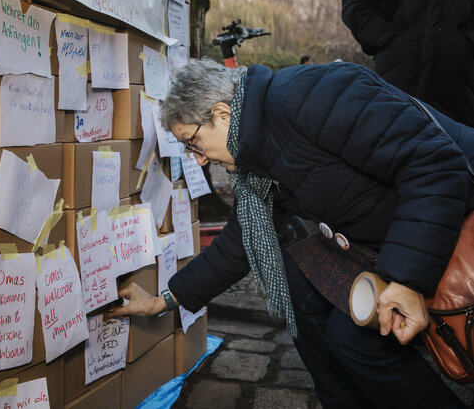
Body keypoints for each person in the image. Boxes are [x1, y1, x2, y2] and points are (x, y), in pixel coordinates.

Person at [107, 59, 474, 408]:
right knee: (294, 280)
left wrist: (406, 279)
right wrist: (164, 300)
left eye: (192, 143)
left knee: (355, 340)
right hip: (384, 231)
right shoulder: (255, 161)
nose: (198, 159)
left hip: (454, 205)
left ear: (222, 114)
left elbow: (436, 165)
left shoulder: (312, 94)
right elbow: (238, 244)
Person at [342, 0, 474, 127]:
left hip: (456, 86)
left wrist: (464, 49)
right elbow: (354, 4)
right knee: (391, 142)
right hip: (399, 77)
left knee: (456, 148)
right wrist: (387, 40)